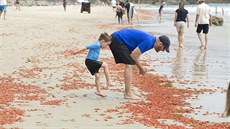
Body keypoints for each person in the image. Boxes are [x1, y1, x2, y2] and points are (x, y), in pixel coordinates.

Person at [109, 28, 170, 99]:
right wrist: (141, 68)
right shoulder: (150, 41)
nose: (162, 51)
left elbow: (136, 54)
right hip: (117, 39)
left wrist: (139, 67)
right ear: (160, 44)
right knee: (130, 65)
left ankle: (129, 91)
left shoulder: (151, 40)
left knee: (131, 64)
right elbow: (134, 55)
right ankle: (128, 93)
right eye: (164, 48)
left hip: (119, 40)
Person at [71, 33, 115, 97]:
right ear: (102, 41)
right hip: (90, 61)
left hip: (91, 62)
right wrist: (75, 52)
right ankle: (109, 81)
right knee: (105, 65)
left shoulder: (98, 44)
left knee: (97, 76)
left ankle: (98, 91)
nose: (107, 46)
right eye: (107, 44)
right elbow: (85, 47)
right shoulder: (96, 44)